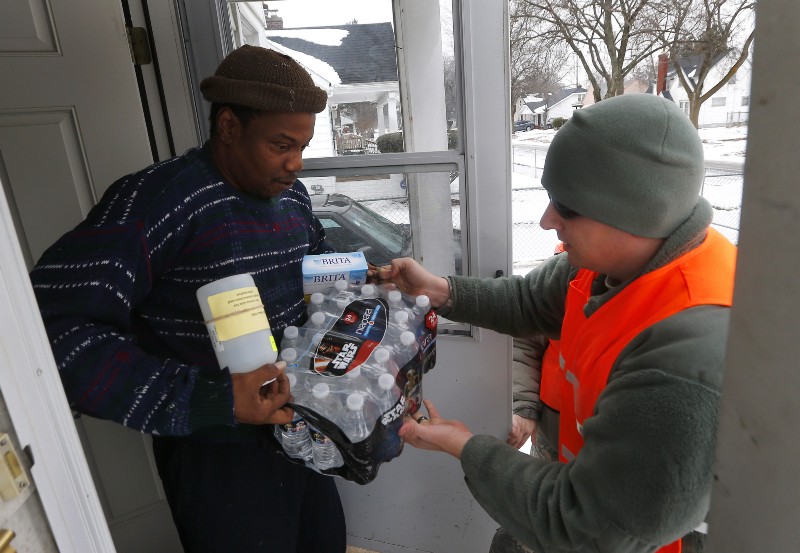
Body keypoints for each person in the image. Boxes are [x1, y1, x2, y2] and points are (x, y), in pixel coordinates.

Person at [376, 94, 736, 553]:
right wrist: (437, 289)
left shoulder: (688, 357)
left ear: (631, 210)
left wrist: (466, 446)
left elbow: (586, 528)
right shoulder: (611, 260)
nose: (547, 221)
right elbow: (530, 301)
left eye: (566, 207)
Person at [29, 45, 346, 553]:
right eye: (281, 144)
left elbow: (314, 265)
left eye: (303, 146)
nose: (295, 163)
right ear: (228, 126)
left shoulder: (291, 197)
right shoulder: (159, 201)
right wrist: (212, 399)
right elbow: (50, 328)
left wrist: (356, 288)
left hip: (299, 433)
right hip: (217, 452)